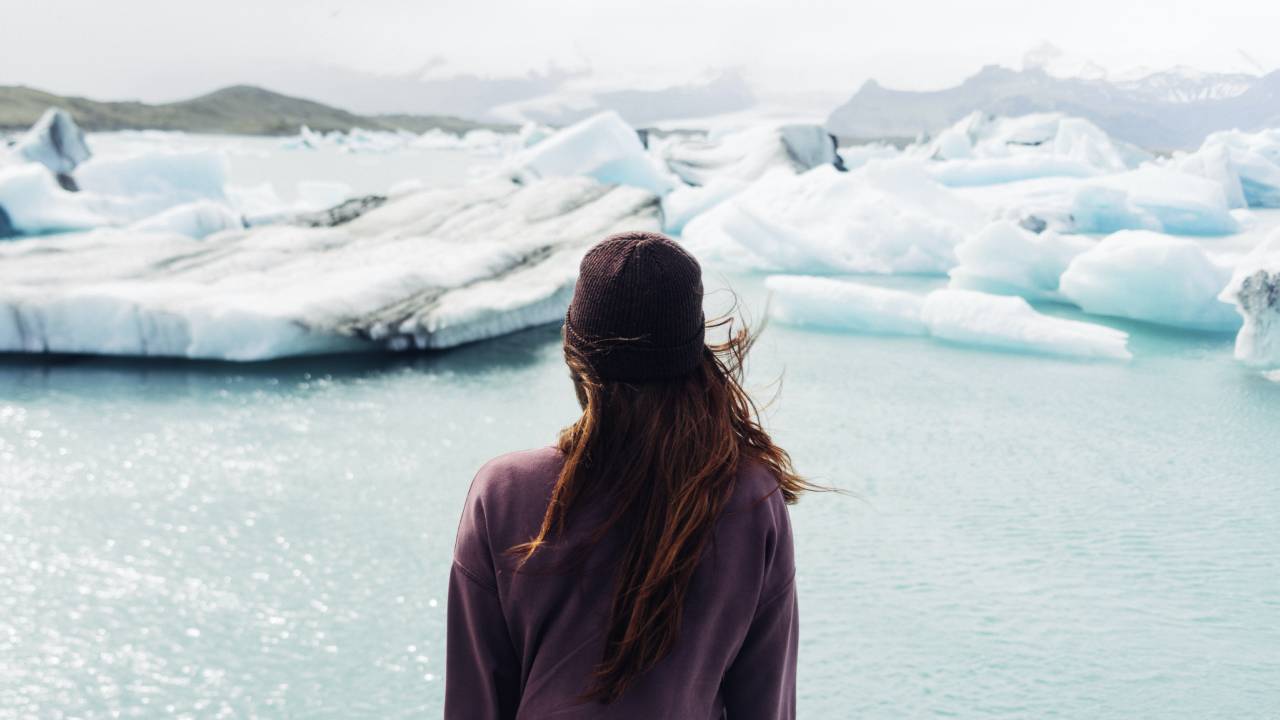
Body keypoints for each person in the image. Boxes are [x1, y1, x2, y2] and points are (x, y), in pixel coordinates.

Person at [445, 231, 814, 719]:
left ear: (574, 357)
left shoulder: (505, 491)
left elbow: (476, 701)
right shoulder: (748, 496)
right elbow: (766, 703)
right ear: (693, 358)